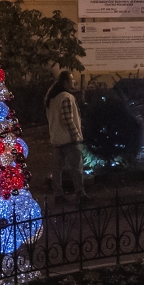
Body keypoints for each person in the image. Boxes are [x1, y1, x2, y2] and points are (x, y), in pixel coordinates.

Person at [44, 71, 86, 201]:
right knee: (76, 168)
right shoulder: (66, 97)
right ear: (65, 82)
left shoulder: (51, 98)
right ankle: (80, 194)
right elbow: (68, 119)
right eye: (71, 80)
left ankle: (58, 194)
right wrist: (77, 137)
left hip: (56, 139)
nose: (74, 82)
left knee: (57, 169)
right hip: (69, 139)